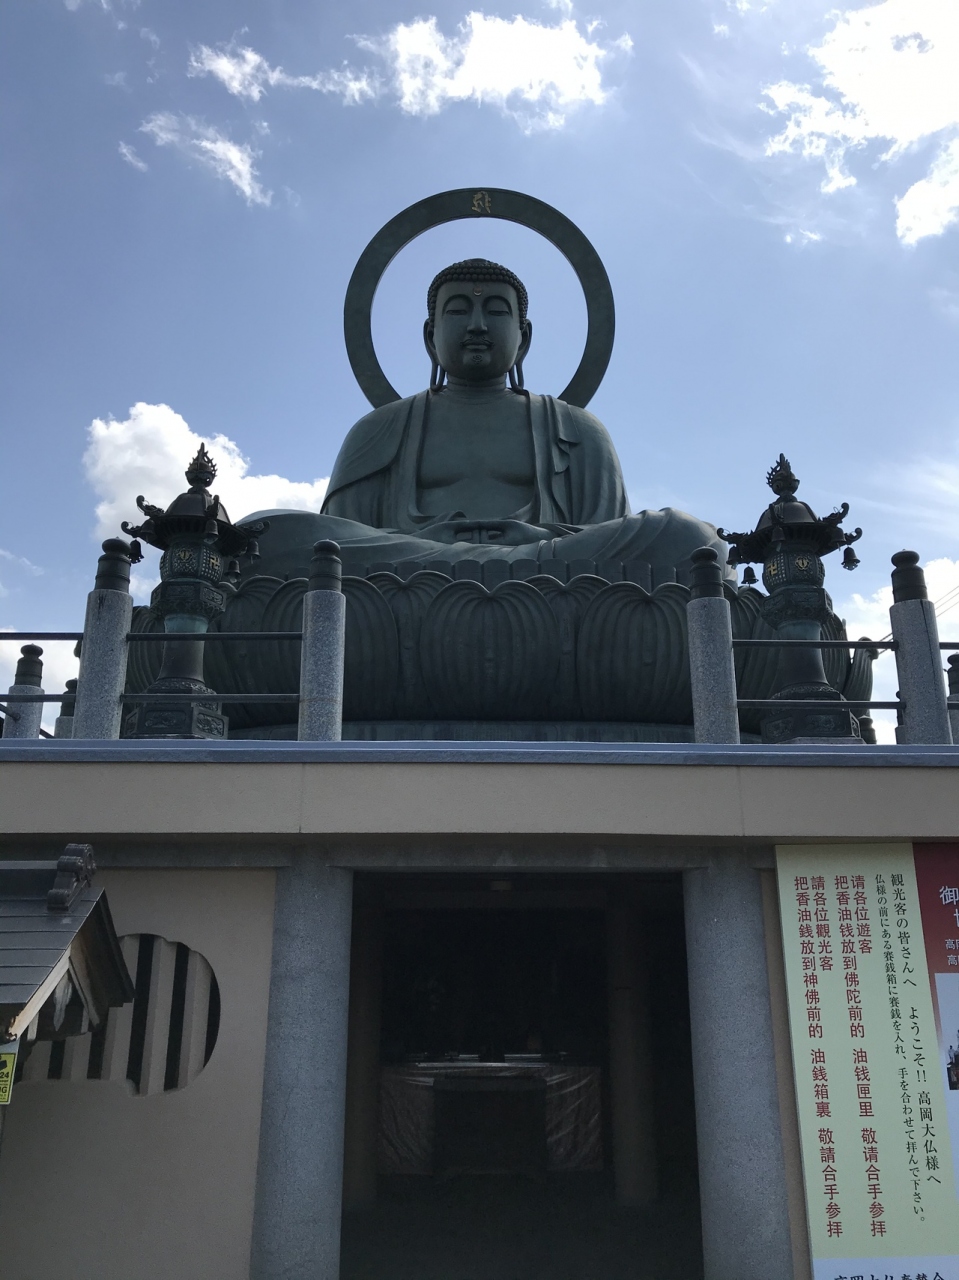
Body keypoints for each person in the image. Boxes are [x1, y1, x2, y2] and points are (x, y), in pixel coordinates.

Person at [240, 258, 730, 582]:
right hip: (409, 576)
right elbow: (336, 550)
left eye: (495, 311)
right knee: (260, 537)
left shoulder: (578, 429)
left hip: (545, 573)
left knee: (692, 539)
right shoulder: (379, 429)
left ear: (525, 336)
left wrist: (543, 539)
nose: (476, 325)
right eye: (458, 311)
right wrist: (418, 543)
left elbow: (606, 541)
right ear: (430, 336)